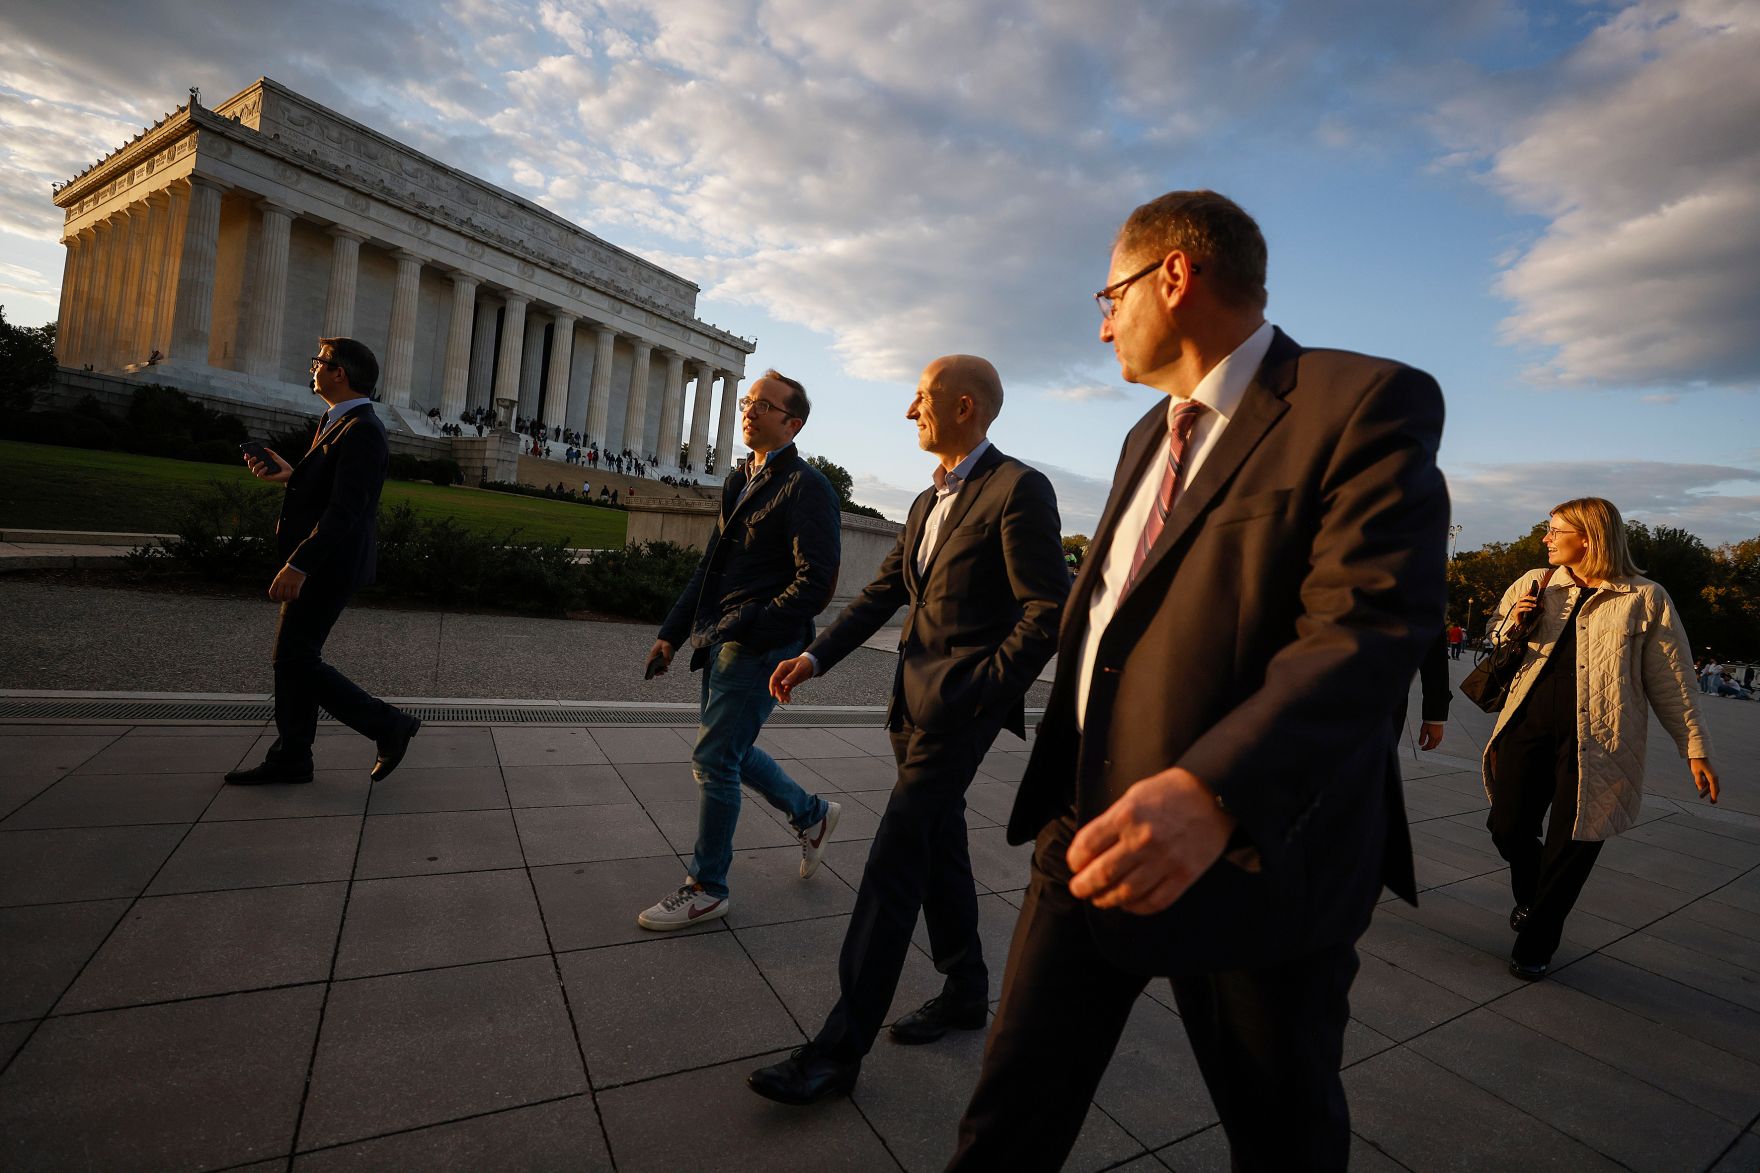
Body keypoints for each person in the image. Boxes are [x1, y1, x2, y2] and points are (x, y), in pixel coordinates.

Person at [949, 190, 1448, 1171]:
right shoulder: (1145, 435)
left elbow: (1363, 628)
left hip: (1256, 856)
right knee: (1008, 1112)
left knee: (1281, 1136)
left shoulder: (1360, 403)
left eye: (1108, 296)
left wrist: (1212, 789)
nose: (1100, 326)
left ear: (1171, 275)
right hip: (1087, 828)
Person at [747, 355, 1069, 1105]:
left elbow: (1046, 612)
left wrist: (979, 693)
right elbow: (884, 589)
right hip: (909, 708)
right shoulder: (929, 502)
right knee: (939, 843)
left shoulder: (1019, 489)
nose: (907, 411)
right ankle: (965, 988)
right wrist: (816, 654)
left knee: (894, 861)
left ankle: (837, 1050)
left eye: (919, 399)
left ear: (963, 406)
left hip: (959, 714)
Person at [637, 371, 843, 930]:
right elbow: (711, 569)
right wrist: (672, 633)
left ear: (792, 423)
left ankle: (709, 886)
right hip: (723, 635)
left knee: (714, 758)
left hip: (757, 645)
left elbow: (816, 581)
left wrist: (754, 627)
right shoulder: (739, 479)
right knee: (727, 749)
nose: (749, 410)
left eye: (764, 405)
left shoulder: (807, 487)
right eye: (748, 401)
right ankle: (812, 814)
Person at [1484, 497, 1719, 981]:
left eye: (1555, 531)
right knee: (1507, 826)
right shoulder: (1534, 582)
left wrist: (1694, 746)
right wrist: (1513, 624)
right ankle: (1532, 898)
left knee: (1574, 840)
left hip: (1601, 736)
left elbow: (1673, 679)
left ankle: (1538, 940)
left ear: (1588, 538)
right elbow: (1496, 636)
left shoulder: (1644, 597)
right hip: (1526, 726)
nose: (1545, 539)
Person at [224, 338, 421, 786]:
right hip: (326, 560)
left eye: (320, 362)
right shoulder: (340, 422)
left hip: (329, 563)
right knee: (294, 657)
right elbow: (335, 492)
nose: (313, 367)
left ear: (340, 374)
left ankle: (387, 725)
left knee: (294, 658)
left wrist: (300, 564)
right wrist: (292, 476)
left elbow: (347, 512)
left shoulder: (363, 429)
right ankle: (292, 756)